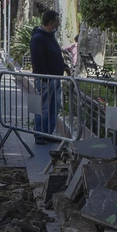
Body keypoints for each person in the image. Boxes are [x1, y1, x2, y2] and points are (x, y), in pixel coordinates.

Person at [29, 9, 67, 141]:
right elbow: (37, 60)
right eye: (57, 22)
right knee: (43, 108)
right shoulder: (38, 38)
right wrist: (45, 78)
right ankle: (40, 134)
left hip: (55, 78)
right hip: (46, 80)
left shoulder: (50, 36)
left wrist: (64, 66)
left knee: (54, 107)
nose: (58, 24)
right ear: (51, 23)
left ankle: (48, 133)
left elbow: (55, 54)